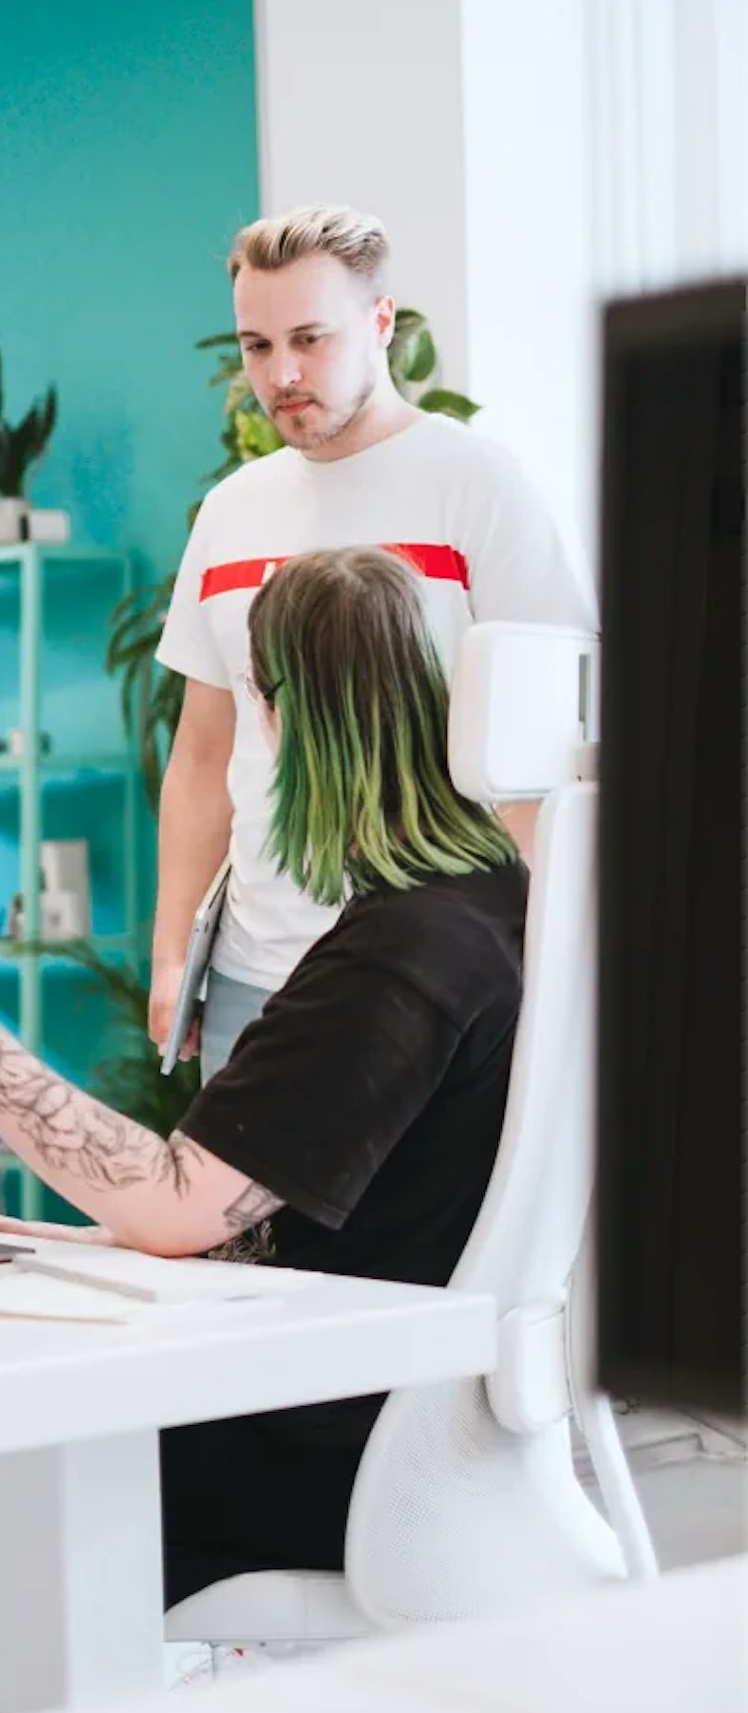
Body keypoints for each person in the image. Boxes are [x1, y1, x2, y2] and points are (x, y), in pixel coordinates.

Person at [0, 544, 528, 1713]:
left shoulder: (402, 952)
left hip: (329, 1440)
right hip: (399, 1405)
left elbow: (170, 1201)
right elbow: (285, 1205)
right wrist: (63, 1242)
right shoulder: (497, 908)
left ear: (281, 719)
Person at [152, 203, 594, 1079]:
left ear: (380, 321)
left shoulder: (480, 486)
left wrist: (561, 960)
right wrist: (173, 955)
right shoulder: (231, 512)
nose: (281, 373)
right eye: (256, 346)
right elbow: (203, 755)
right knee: (237, 1221)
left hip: (431, 974)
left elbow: (554, 756)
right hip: (255, 972)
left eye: (309, 339)